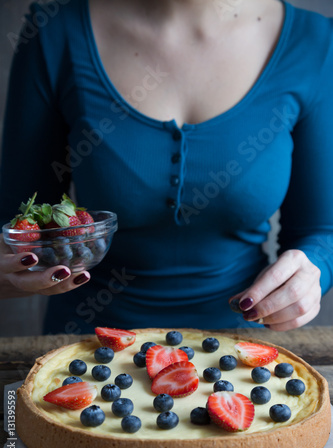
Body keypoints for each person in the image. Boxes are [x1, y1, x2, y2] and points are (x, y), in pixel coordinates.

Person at [0, 0, 332, 335]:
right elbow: (20, 219)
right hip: (86, 351)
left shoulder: (314, 42)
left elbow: (322, 233)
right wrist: (14, 267)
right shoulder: (53, 30)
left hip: (243, 358)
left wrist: (313, 271)